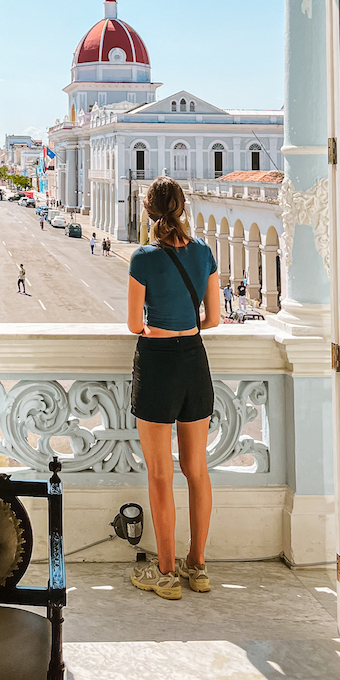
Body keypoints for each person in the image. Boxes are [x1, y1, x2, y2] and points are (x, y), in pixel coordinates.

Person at [126, 175, 220, 600]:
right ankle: (197, 567)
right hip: (194, 362)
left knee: (160, 474)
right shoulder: (203, 252)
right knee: (196, 472)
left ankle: (165, 574)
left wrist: (162, 326)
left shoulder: (143, 257)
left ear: (150, 212)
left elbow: (134, 324)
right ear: (182, 208)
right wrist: (185, 324)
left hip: (159, 364)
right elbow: (214, 319)